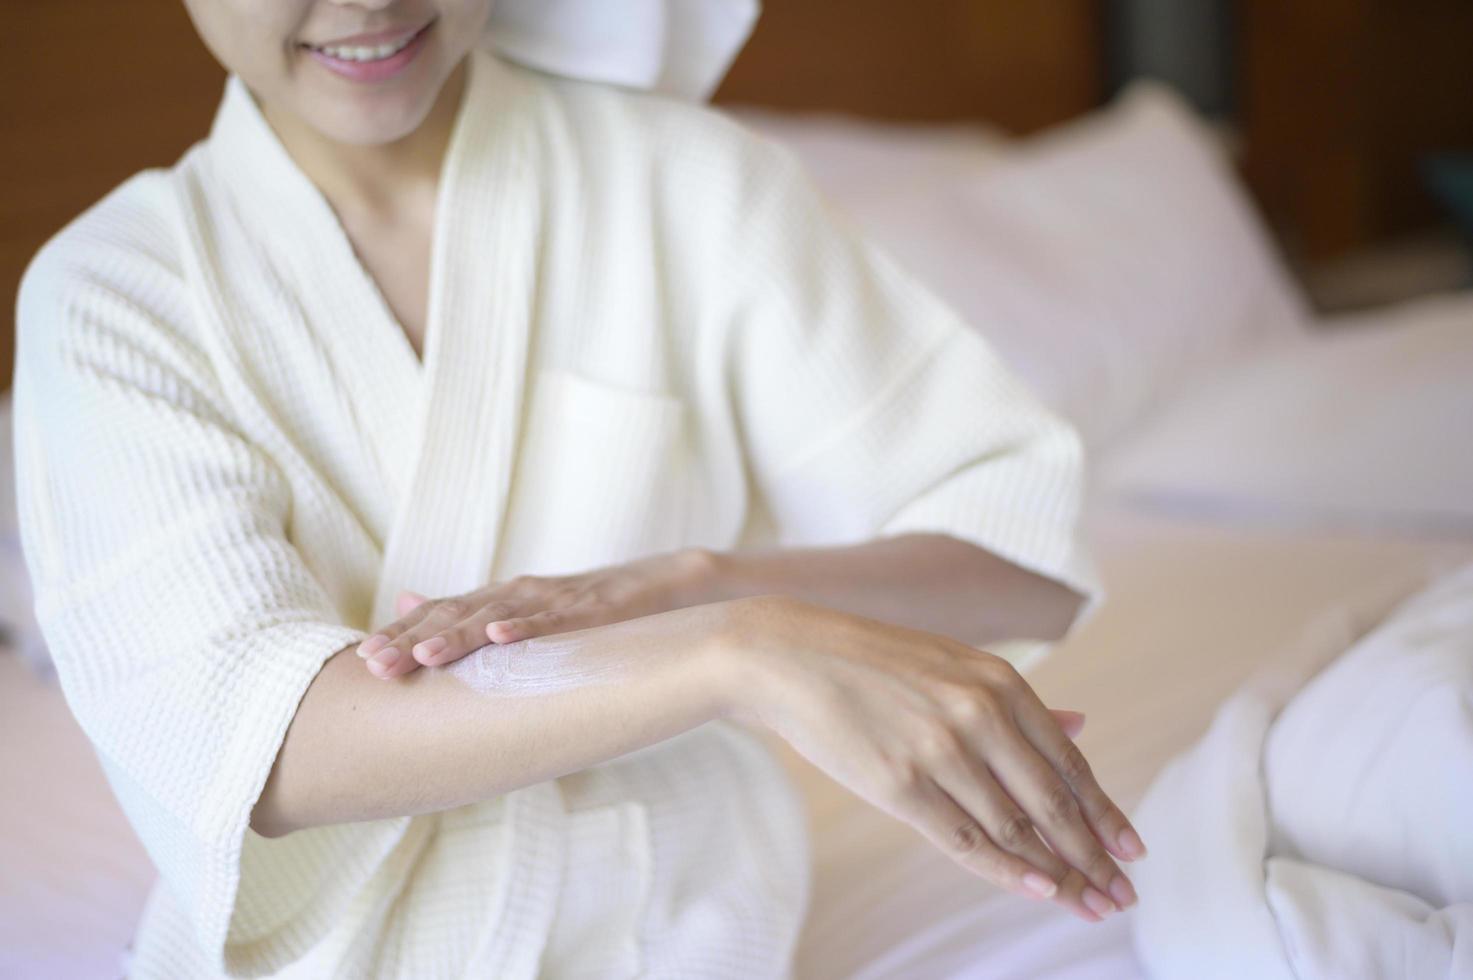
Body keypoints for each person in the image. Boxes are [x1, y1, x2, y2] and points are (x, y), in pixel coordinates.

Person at [10, 1, 1146, 976]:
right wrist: (734, 649)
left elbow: (1021, 562)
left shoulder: (684, 181)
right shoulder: (116, 293)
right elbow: (260, 742)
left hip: (693, 928)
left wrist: (705, 582)